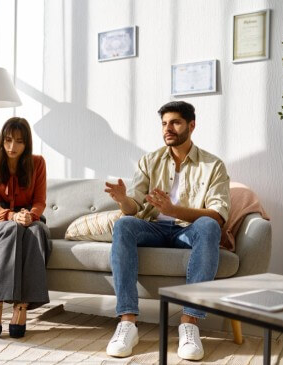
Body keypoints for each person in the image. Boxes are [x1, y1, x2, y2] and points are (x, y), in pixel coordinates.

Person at [104, 101, 230, 361]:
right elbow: (133, 208)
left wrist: (174, 210)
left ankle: (190, 322)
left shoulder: (213, 165)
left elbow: (218, 215)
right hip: (154, 228)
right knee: (124, 224)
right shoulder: (149, 161)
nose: (167, 129)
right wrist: (123, 200)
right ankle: (127, 322)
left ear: (191, 125)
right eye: (164, 123)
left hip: (188, 231)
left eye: (175, 122)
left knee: (208, 226)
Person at [0, 117, 51, 339]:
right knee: (13, 229)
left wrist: (31, 215)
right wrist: (11, 216)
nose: (12, 147)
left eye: (19, 142)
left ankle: (21, 307)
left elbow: (40, 200)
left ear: (27, 143)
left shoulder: (37, 163)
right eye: (8, 140)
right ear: (2, 140)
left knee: (38, 231)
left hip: (29, 217)